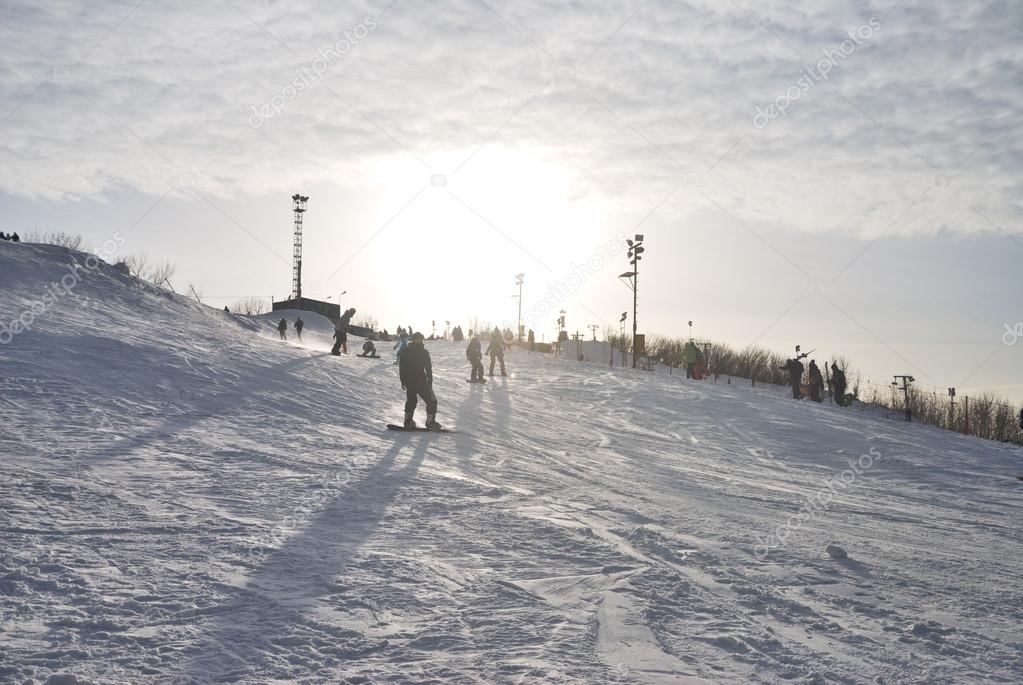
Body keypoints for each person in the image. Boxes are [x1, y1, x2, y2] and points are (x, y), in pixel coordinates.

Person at [399, 332, 440, 430]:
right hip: (413, 381)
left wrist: (430, 381)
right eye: (418, 339)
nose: (420, 340)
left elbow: (428, 367)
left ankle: (428, 422)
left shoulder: (423, 352)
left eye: (421, 339)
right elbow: (402, 367)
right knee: (417, 401)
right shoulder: (407, 351)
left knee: (427, 401)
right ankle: (410, 422)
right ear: (414, 339)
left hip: (419, 380)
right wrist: (402, 381)